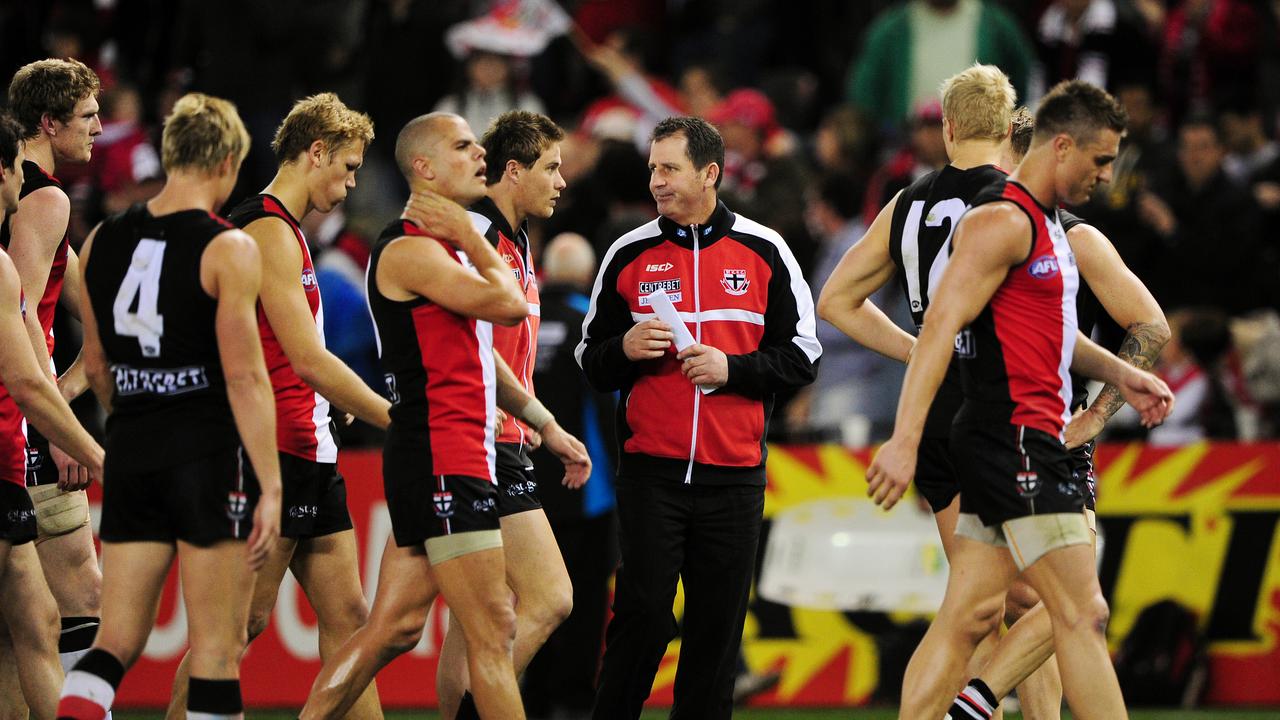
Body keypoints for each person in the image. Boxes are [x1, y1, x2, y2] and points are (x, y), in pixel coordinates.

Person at [865, 80, 1173, 720]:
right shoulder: (1000, 222)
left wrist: (1122, 374)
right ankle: (977, 703)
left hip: (1008, 438)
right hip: (1017, 440)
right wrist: (902, 440)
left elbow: (1054, 337)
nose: (1107, 177)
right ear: (1061, 147)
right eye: (1100, 161)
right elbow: (938, 333)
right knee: (1080, 612)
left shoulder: (1045, 229)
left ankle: (968, 705)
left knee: (974, 612)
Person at [298, 112, 587, 720]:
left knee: (396, 629)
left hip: (454, 449)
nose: (477, 153)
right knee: (497, 625)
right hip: (445, 451)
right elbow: (507, 306)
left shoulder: (445, 247)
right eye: (462, 146)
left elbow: (485, 356)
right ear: (424, 168)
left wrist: (545, 421)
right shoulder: (412, 250)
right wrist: (472, 234)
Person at [577, 116, 821, 720]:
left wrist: (732, 370)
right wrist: (624, 349)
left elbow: (805, 354)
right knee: (643, 618)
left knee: (716, 637)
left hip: (734, 476)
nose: (655, 180)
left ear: (710, 173)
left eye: (669, 168)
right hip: (650, 473)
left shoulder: (766, 249)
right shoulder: (627, 252)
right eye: (652, 167)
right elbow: (590, 357)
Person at [55, 92, 282, 720]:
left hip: (133, 448)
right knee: (216, 651)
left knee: (113, 644)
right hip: (206, 454)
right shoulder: (229, 247)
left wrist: (134, 416)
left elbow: (96, 366)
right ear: (228, 160)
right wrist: (270, 484)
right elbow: (246, 380)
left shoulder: (103, 237)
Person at [162, 92, 389, 720]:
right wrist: (400, 420)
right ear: (314, 152)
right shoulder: (266, 231)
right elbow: (309, 360)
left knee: (350, 620)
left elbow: (284, 353)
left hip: (307, 445)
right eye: (346, 167)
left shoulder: (283, 230)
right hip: (277, 454)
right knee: (234, 632)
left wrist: (331, 401)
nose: (350, 184)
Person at [817, 63, 1020, 706]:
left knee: (982, 606)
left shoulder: (909, 203)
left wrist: (919, 351)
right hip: (1005, 408)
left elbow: (837, 300)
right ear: (1011, 127)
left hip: (934, 409)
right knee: (1025, 605)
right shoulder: (1020, 202)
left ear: (950, 126)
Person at [434, 110, 591, 720]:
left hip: (497, 440)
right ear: (514, 170)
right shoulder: (475, 240)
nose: (560, 181)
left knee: (466, 623)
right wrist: (544, 423)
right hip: (482, 440)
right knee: (551, 598)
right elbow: (473, 355)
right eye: (551, 168)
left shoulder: (514, 239)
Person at [1, 58, 105, 683]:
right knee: (81, 600)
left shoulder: (29, 195)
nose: (97, 129)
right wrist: (61, 424)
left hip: (25, 414)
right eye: (88, 117)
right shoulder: (46, 199)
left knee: (23, 627)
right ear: (49, 122)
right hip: (26, 426)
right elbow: (21, 325)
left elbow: (90, 314)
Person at [521, 232, 619, 720]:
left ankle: (532, 701)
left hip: (523, 491)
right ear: (587, 274)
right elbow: (610, 409)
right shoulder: (592, 326)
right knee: (582, 606)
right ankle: (576, 704)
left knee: (532, 605)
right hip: (588, 495)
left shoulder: (521, 321)